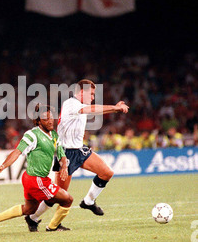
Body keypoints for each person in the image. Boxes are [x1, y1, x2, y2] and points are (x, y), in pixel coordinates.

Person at [26, 79, 129, 231]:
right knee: (59, 196)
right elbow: (92, 109)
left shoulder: (80, 105)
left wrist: (116, 109)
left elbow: (92, 109)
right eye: (91, 94)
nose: (93, 97)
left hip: (79, 150)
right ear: (81, 92)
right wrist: (114, 107)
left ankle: (88, 201)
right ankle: (33, 218)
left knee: (106, 173)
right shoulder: (71, 104)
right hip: (65, 154)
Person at [0, 104, 73, 235]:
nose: (50, 120)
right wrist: (3, 166)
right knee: (67, 199)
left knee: (29, 209)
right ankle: (52, 227)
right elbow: (17, 152)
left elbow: (61, 154)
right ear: (38, 121)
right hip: (37, 180)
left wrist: (64, 166)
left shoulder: (54, 135)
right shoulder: (32, 135)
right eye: (46, 118)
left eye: (51, 117)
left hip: (33, 179)